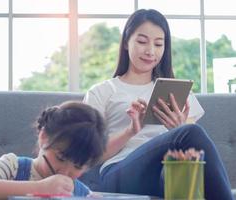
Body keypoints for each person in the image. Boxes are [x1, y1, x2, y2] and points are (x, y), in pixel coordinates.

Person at [80, 9, 234, 200]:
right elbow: (89, 156)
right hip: (120, 172)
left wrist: (179, 127)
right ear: (127, 43)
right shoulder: (102, 91)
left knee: (187, 138)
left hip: (171, 169)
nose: (150, 51)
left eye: (159, 44)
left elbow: (195, 147)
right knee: (189, 133)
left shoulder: (175, 90)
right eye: (142, 41)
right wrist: (130, 131)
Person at [0, 101, 107, 200]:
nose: (65, 172)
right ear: (43, 137)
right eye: (60, 158)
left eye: (78, 166)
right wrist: (39, 188)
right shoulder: (13, 167)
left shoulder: (81, 193)